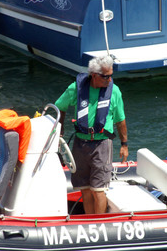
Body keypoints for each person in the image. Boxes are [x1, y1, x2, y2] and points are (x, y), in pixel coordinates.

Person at [55, 55, 128, 214]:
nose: (109, 80)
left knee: (98, 190)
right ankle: (89, 222)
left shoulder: (114, 91)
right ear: (94, 75)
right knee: (86, 190)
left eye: (111, 76)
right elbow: (60, 107)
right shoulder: (76, 89)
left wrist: (124, 144)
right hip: (80, 144)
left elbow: (120, 120)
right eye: (106, 76)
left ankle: (99, 224)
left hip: (102, 144)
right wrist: (60, 132)